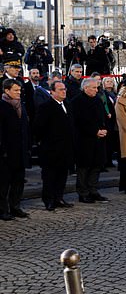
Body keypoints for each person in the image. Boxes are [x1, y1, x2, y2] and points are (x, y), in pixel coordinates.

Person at [34, 80, 74, 211]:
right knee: (49, 176)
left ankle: (59, 197)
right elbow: (39, 128)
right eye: (61, 90)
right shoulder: (45, 106)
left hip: (65, 147)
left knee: (62, 174)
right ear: (52, 92)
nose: (64, 92)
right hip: (50, 148)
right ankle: (49, 200)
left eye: (65, 89)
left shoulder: (68, 105)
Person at [71, 78, 110, 203]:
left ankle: (93, 190)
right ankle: (83, 192)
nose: (96, 90)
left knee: (96, 166)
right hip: (84, 140)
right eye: (93, 87)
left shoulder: (98, 100)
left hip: (99, 139)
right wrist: (94, 131)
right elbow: (79, 122)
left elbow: (104, 116)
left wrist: (104, 129)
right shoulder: (77, 102)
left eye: (97, 87)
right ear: (85, 88)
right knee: (84, 167)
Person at [0, 79, 30, 220]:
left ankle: (15, 207)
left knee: (18, 182)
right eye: (16, 90)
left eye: (19, 90)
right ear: (6, 91)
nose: (19, 93)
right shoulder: (2, 106)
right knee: (4, 184)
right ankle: (2, 210)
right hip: (6, 153)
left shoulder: (21, 106)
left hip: (20, 151)